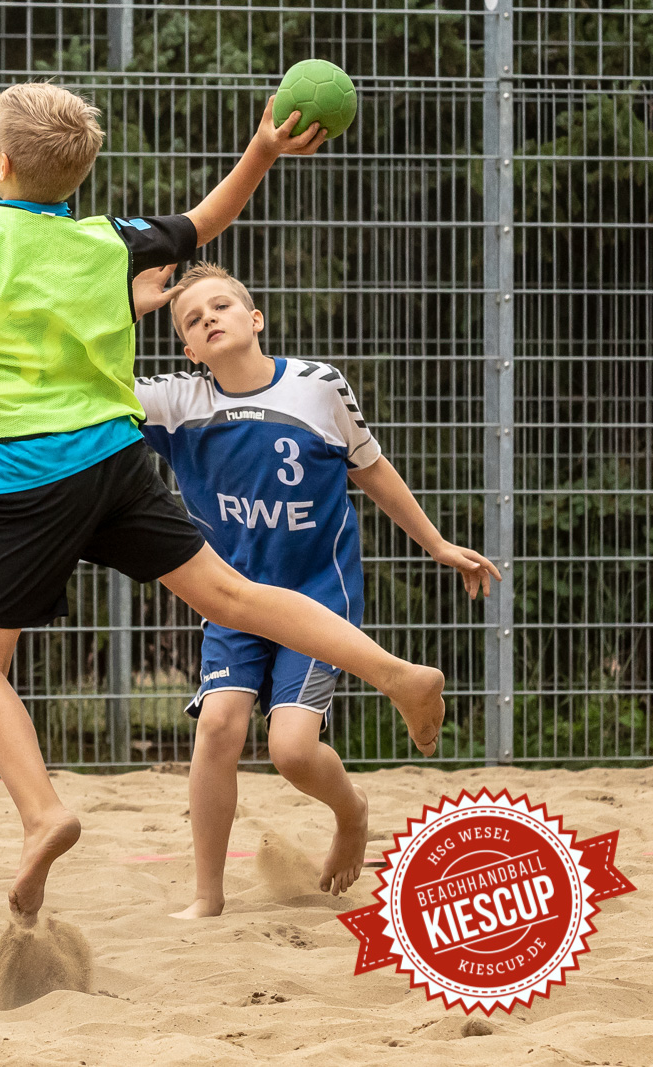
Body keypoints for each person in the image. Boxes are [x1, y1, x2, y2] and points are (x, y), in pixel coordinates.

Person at [0, 82, 447, 922]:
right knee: (232, 595)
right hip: (117, 460)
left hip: (26, 476)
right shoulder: (106, 240)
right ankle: (393, 670)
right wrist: (263, 149)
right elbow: (206, 221)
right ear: (79, 172)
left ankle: (44, 812)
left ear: (0, 161)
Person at [127, 261, 500, 918]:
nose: (209, 319)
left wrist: (438, 543)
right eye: (192, 319)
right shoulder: (174, 401)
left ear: (255, 318)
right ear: (188, 349)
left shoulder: (318, 386)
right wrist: (127, 308)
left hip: (318, 595)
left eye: (220, 306)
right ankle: (207, 896)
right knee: (217, 726)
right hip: (233, 598)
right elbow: (90, 383)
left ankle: (351, 810)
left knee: (292, 751)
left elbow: (372, 469)